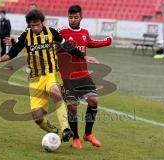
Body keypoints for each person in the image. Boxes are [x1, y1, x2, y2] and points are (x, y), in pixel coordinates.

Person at [0, 9, 96, 141]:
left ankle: (66, 129)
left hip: (50, 74)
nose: (35, 28)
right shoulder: (26, 36)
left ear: (42, 22)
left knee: (56, 93)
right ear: (29, 25)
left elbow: (68, 46)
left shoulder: (51, 32)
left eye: (37, 25)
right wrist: (0, 59)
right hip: (35, 80)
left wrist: (84, 56)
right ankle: (53, 130)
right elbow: (12, 53)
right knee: (38, 118)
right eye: (32, 25)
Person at [58, 5, 113, 149]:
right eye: (71, 17)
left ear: (81, 17)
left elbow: (91, 43)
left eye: (76, 17)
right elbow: (54, 47)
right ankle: (75, 137)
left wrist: (108, 40)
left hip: (83, 75)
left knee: (94, 100)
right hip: (68, 77)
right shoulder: (62, 32)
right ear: (68, 17)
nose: (73, 20)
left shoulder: (84, 33)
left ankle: (88, 134)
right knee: (72, 108)